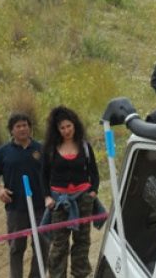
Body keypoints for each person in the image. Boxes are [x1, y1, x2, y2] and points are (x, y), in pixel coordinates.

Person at [0, 113, 49, 278]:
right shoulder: (4, 152)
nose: (22, 129)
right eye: (18, 126)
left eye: (25, 125)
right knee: (16, 247)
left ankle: (36, 275)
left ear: (30, 128)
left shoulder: (40, 149)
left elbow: (51, 173)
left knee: (43, 245)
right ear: (11, 131)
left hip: (41, 207)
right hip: (16, 208)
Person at [41, 106, 100, 278]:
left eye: (69, 126)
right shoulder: (50, 148)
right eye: (62, 128)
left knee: (82, 241)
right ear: (57, 130)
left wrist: (93, 192)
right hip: (59, 202)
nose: (66, 130)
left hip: (83, 199)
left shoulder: (85, 146)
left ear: (75, 125)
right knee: (59, 244)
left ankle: (80, 274)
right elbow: (43, 176)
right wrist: (47, 197)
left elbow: (94, 172)